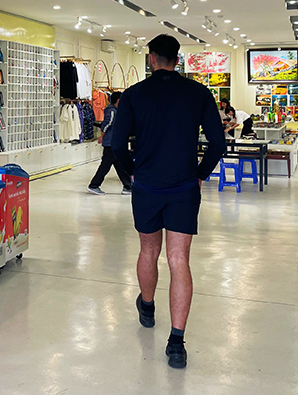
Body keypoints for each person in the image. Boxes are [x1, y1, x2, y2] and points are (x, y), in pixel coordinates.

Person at [111, 34, 226, 369]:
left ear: (151, 59)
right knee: (179, 259)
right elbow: (218, 144)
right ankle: (177, 344)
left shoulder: (133, 95)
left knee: (148, 250)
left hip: (147, 186)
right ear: (178, 60)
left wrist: (132, 172)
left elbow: (117, 145)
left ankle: (147, 307)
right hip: (184, 187)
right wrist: (201, 173)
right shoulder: (199, 93)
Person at [87, 91, 132, 196]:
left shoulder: (116, 110)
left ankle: (128, 186)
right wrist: (102, 136)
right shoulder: (111, 111)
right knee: (105, 165)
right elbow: (106, 124)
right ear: (119, 101)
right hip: (110, 143)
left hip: (114, 142)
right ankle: (94, 185)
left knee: (119, 165)